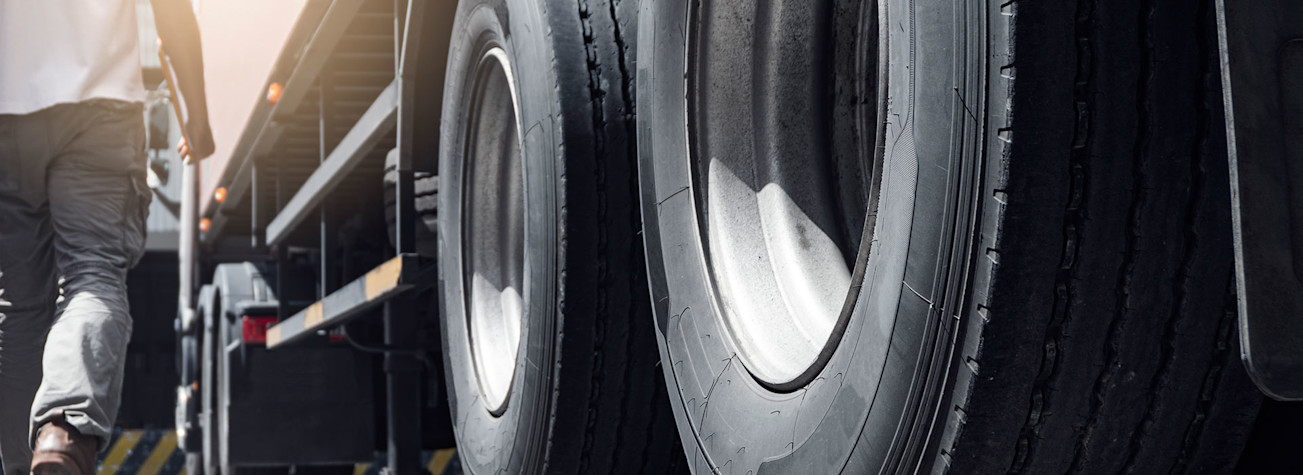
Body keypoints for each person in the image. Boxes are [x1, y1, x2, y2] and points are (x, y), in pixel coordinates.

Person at [0, 0, 213, 473]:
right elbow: (173, 11)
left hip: (8, 111)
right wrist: (196, 112)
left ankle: (19, 465)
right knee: (92, 277)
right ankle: (63, 431)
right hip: (100, 109)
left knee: (19, 305)